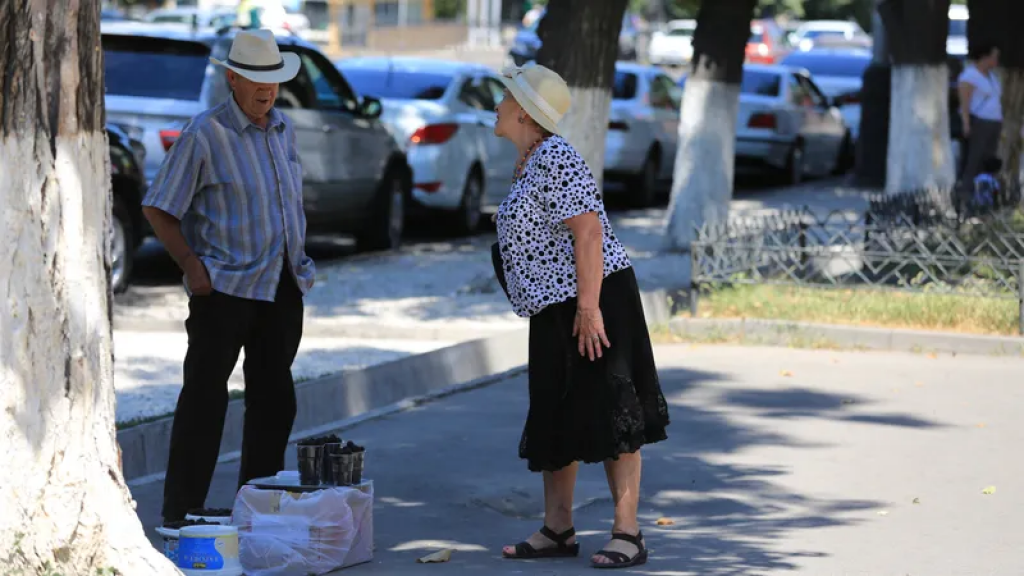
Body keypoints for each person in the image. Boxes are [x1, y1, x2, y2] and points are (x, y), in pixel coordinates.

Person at [490, 63, 671, 569]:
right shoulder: (530, 160)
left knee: (614, 411)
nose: (497, 104)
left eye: (505, 96)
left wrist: (589, 310)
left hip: (594, 299)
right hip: (555, 308)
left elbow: (588, 233)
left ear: (524, 112)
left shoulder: (556, 156)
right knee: (555, 410)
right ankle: (559, 527)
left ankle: (628, 532)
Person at [142, 29, 315, 522]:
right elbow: (159, 208)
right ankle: (181, 513)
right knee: (204, 400)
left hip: (281, 286)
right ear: (233, 78)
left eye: (274, 80)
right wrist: (192, 266)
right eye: (257, 80)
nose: (267, 90)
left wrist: (299, 265)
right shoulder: (205, 133)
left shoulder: (283, 129)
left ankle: (255, 508)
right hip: (223, 289)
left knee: (274, 402)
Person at [958, 43, 1003, 184]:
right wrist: (966, 123)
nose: (996, 60)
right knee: (975, 158)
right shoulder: (970, 75)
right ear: (984, 57)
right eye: (994, 57)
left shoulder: (992, 77)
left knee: (989, 159)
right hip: (980, 122)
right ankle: (967, 189)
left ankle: (985, 189)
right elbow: (964, 101)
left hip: (994, 121)